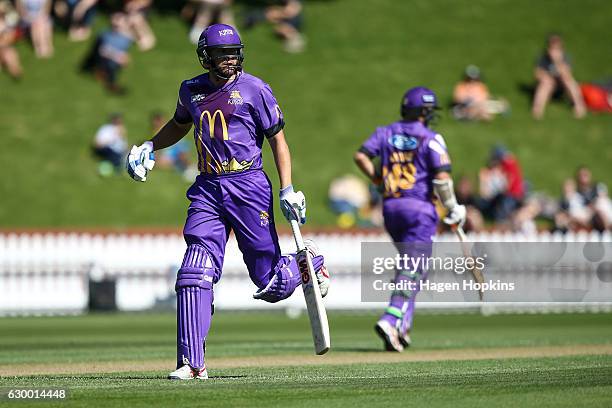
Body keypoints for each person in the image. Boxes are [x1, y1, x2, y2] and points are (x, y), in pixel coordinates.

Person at [126, 24, 330, 380]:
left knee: (270, 284)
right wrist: (149, 146)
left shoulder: (255, 89)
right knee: (193, 272)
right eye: (221, 54)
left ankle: (309, 259)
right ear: (206, 56)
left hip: (249, 185)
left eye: (233, 52)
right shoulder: (191, 89)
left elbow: (278, 141)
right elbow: (179, 124)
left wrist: (287, 188)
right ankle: (191, 363)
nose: (229, 59)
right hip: (207, 186)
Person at [354, 87, 466, 352]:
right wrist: (453, 207)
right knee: (413, 266)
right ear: (426, 112)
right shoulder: (431, 137)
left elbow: (360, 156)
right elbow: (441, 177)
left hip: (391, 209)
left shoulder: (385, 132)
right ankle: (391, 319)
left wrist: (379, 181)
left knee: (415, 268)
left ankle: (403, 326)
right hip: (420, 210)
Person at [532, 34, 586, 119]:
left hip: (562, 86)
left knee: (570, 82)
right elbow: (537, 74)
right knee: (545, 83)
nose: (554, 51)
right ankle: (537, 109)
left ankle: (579, 107)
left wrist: (557, 61)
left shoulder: (565, 57)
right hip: (549, 86)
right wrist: (546, 77)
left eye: (557, 48)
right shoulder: (543, 57)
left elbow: (567, 75)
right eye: (552, 48)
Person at [81, 12, 133, 94]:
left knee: (116, 64)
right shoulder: (106, 35)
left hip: (115, 56)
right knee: (112, 65)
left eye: (120, 23)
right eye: (115, 23)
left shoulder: (127, 36)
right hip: (103, 57)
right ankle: (111, 84)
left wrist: (124, 56)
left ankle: (103, 73)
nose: (117, 26)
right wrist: (118, 57)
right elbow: (103, 51)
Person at [0, 0, 23, 80]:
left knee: (8, 52)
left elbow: (11, 37)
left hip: (5, 46)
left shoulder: (10, 19)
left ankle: (15, 69)